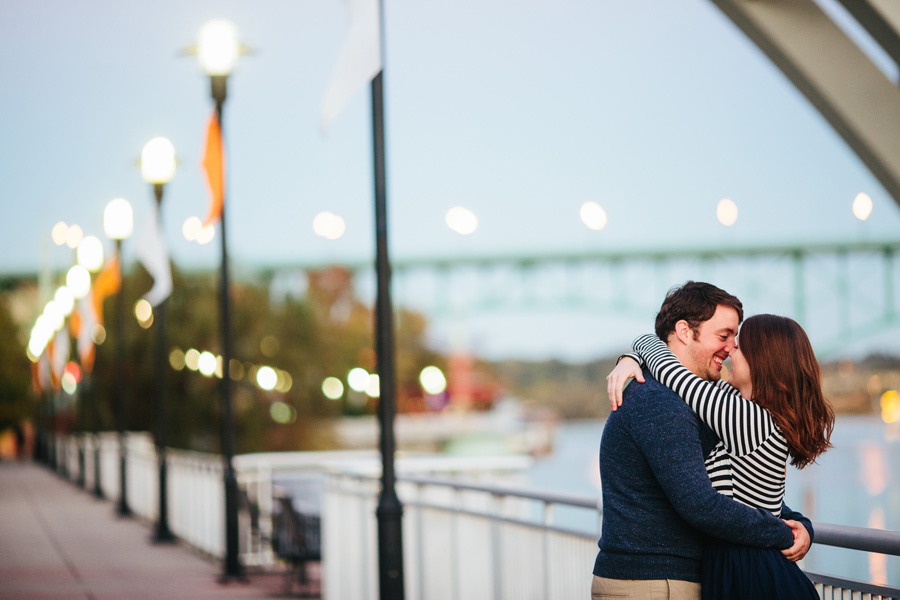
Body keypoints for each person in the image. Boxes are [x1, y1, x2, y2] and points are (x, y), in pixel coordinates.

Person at [592, 281, 814, 600]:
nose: (730, 348)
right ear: (684, 331)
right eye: (724, 336)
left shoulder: (715, 408)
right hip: (654, 583)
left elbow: (743, 492)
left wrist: (795, 520)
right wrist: (784, 529)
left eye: (737, 339)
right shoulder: (662, 401)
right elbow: (702, 504)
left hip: (683, 577)